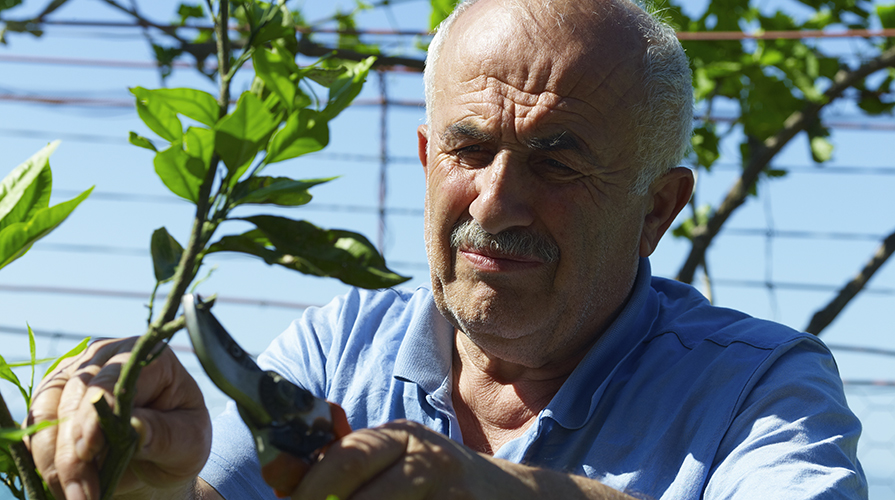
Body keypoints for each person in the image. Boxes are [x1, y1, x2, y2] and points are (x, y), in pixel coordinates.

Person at [26, 0, 868, 498]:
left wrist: (497, 492)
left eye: (558, 161)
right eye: (469, 151)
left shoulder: (756, 387)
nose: (497, 200)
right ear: (429, 160)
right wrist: (152, 477)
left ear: (657, 209)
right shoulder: (341, 345)